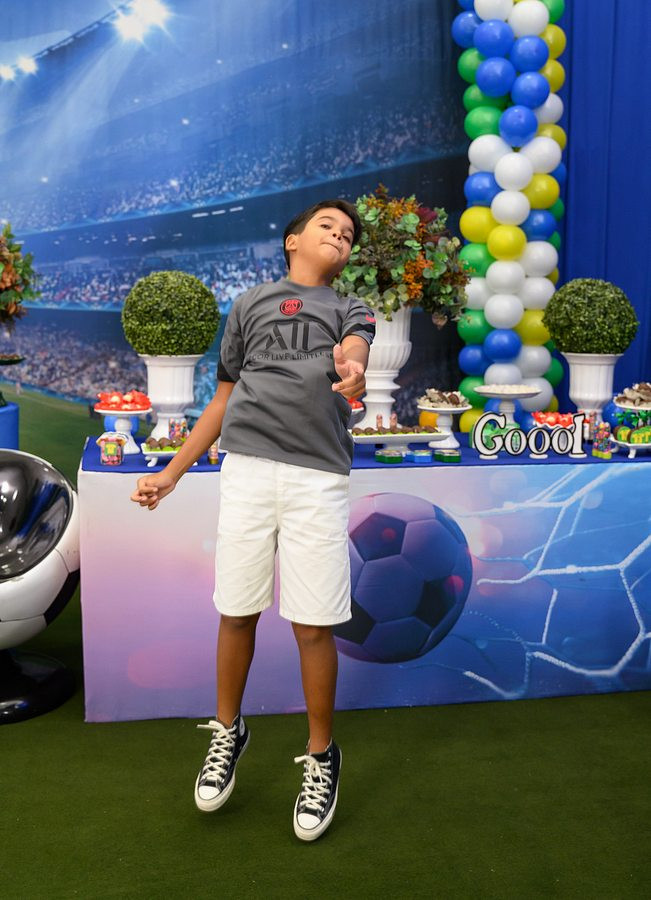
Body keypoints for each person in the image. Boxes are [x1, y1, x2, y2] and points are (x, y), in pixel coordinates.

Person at [130, 199, 375, 841]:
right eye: (327, 226)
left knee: (313, 624)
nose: (340, 236)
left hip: (318, 478)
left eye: (348, 234)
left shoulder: (351, 307)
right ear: (293, 240)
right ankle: (227, 731)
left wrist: (353, 369)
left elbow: (357, 350)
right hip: (246, 470)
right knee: (236, 610)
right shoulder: (249, 304)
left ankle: (322, 756)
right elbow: (223, 398)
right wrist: (172, 472)